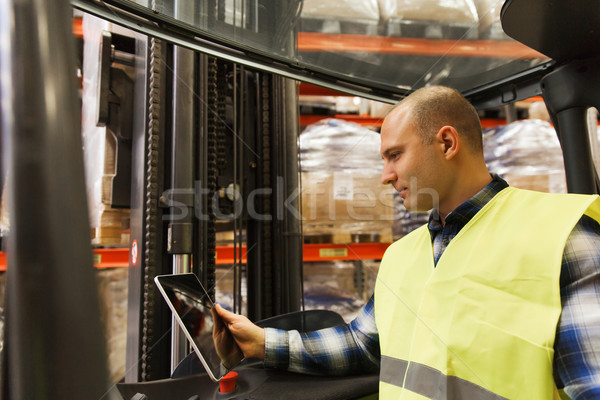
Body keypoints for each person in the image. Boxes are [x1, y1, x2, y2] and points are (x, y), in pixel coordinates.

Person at [214, 86, 600, 399]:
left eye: (394, 155)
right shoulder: (403, 254)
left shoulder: (561, 236)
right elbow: (363, 344)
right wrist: (262, 343)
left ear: (447, 143)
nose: (385, 176)